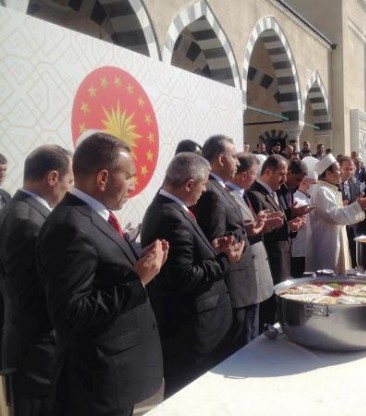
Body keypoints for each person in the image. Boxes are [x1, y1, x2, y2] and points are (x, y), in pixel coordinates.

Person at [36, 132, 168, 415]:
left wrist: (139, 264)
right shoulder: (68, 226)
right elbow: (70, 313)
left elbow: (105, 273)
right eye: (130, 176)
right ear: (103, 178)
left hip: (120, 377)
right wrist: (137, 280)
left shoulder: (97, 216)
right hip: (99, 386)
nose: (134, 185)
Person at [141, 152, 244, 397]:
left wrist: (212, 247)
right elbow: (181, 277)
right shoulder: (170, 216)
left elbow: (186, 257)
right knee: (190, 396)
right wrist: (224, 260)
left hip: (199, 329)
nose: (205, 190)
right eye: (203, 183)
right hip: (192, 333)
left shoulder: (174, 209)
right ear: (189, 184)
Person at [0, 145, 73, 416]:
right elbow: (34, 297)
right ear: (52, 178)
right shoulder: (27, 221)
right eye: (70, 181)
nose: (71, 188)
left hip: (31, 351)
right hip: (36, 356)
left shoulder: (17, 208)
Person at [193, 135, 257, 351]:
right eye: (233, 157)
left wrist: (247, 231)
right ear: (221, 159)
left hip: (242, 287)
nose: (238, 163)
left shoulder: (221, 188)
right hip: (234, 288)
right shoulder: (211, 192)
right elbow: (216, 243)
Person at [248, 155, 305, 325]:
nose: (284, 179)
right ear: (267, 171)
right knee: (270, 310)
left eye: (286, 174)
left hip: (281, 258)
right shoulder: (255, 194)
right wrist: (290, 226)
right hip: (271, 259)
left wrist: (290, 218)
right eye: (281, 174)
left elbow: (277, 220)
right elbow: (261, 230)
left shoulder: (271, 193)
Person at [227, 153, 282, 322]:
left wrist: (261, 223)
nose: (256, 177)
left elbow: (251, 226)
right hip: (245, 277)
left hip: (257, 272)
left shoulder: (243, 194)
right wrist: (253, 228)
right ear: (244, 175)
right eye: (254, 173)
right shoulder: (229, 196)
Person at [305, 154, 366, 274]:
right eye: (338, 169)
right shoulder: (321, 191)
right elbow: (335, 215)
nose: (341, 172)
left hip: (334, 243)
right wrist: (358, 206)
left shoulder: (329, 189)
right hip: (326, 247)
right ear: (328, 173)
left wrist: (358, 206)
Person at [291, 172, 317, 277]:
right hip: (299, 249)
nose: (316, 186)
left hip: (311, 248)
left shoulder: (310, 198)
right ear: (304, 182)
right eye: (314, 183)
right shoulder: (295, 199)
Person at [338, 156, 361, 267]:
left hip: (352, 227)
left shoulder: (355, 185)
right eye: (346, 168)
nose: (348, 172)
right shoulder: (333, 185)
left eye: (351, 169)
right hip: (338, 228)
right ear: (339, 168)